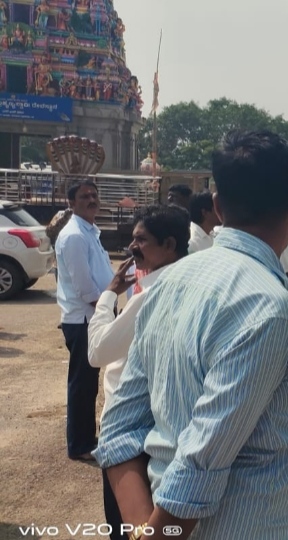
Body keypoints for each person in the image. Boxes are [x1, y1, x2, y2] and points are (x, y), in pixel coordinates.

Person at [93, 130, 288, 539]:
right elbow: (202, 460)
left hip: (163, 520)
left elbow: (119, 423)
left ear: (217, 205)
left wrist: (144, 529)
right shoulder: (267, 306)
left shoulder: (170, 281)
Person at [88, 205, 189, 540]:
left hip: (129, 422)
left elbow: (98, 352)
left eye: (141, 240)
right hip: (158, 416)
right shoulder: (185, 279)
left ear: (169, 245)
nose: (133, 248)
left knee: (125, 523)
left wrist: (107, 295)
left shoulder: (152, 293)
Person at [55, 179, 113, 461]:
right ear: (72, 203)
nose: (91, 199)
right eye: (84, 196)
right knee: (82, 383)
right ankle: (79, 444)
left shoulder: (90, 231)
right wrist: (107, 307)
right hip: (83, 321)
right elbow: (85, 289)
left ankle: (85, 438)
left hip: (94, 317)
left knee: (89, 381)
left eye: (94, 195)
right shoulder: (75, 236)